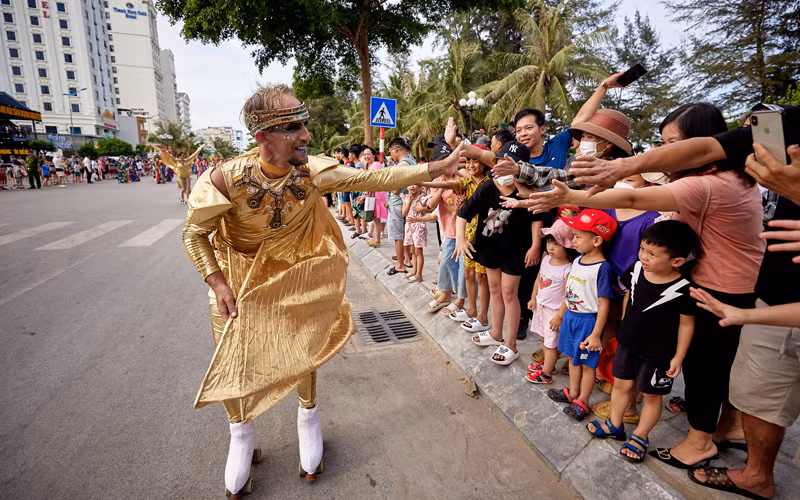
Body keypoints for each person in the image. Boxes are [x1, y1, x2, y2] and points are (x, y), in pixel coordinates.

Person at [181, 85, 464, 498]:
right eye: (294, 127)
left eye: (305, 125)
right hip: (237, 280)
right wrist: (217, 282)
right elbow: (194, 234)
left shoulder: (311, 171)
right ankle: (241, 435)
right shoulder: (224, 179)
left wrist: (436, 167)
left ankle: (308, 418)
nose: (306, 136)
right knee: (235, 353)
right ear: (263, 138)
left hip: (294, 274)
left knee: (304, 344)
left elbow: (374, 177)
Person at [526, 102, 767, 471]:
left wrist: (570, 197)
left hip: (717, 291)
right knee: (717, 364)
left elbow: (634, 197)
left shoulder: (705, 185)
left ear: (700, 145)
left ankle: (699, 441)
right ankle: (725, 424)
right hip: (731, 285)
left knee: (703, 367)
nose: (664, 153)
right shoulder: (733, 176)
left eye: (672, 144)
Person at [586, 220, 699, 465]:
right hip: (627, 343)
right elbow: (628, 293)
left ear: (677, 261)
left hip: (659, 354)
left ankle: (640, 436)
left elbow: (687, 325)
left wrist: (678, 356)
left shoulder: (683, 289)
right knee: (621, 385)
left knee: (651, 395)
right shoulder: (636, 269)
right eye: (643, 249)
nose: (644, 256)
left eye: (652, 254)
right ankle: (615, 425)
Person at [455, 141, 541, 366]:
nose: (503, 166)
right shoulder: (487, 186)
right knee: (494, 289)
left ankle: (511, 343)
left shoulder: (526, 191)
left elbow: (536, 218)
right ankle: (496, 332)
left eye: (509, 163)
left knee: (509, 293)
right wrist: (461, 240)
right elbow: (463, 213)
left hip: (515, 250)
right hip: (489, 248)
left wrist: (535, 246)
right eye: (501, 161)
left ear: (520, 167)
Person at [545, 209, 616, 420]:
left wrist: (595, 334)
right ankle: (573, 392)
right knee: (572, 358)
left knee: (587, 364)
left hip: (587, 322)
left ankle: (583, 400)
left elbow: (604, 303)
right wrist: (561, 315)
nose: (572, 240)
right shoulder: (577, 261)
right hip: (571, 319)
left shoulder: (602, 268)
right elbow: (569, 293)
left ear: (596, 240)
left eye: (577, 236)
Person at [422, 146, 491, 332]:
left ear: (484, 163)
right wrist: (430, 184)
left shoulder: (490, 183)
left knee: (481, 277)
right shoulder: (466, 183)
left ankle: (482, 315)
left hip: (485, 236)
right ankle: (471, 309)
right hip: (466, 236)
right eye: (467, 161)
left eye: (474, 160)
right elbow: (449, 186)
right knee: (468, 273)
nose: (470, 164)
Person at [525, 219, 576, 383]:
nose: (551, 247)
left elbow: (568, 296)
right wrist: (533, 297)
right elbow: (538, 279)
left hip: (554, 311)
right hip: (541, 307)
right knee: (544, 338)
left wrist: (559, 316)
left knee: (551, 343)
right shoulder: (546, 259)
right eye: (549, 242)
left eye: (557, 244)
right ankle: (550, 365)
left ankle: (546, 374)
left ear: (567, 246)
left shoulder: (568, 269)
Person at [386, 137, 416, 275]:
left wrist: (389, 188)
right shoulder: (413, 162)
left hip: (398, 203)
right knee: (407, 233)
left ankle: (399, 265)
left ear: (396, 149)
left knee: (398, 236)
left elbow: (396, 190)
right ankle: (407, 259)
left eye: (391, 151)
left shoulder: (400, 167)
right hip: (409, 203)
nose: (391, 154)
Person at [402, 185, 431, 283]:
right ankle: (414, 271)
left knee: (418, 251)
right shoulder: (406, 198)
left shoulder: (422, 198)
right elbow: (404, 213)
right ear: (407, 187)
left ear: (420, 187)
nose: (412, 186)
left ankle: (419, 274)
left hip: (419, 225)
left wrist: (421, 208)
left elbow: (430, 209)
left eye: (415, 184)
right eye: (410, 184)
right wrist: (409, 202)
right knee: (412, 250)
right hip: (409, 226)